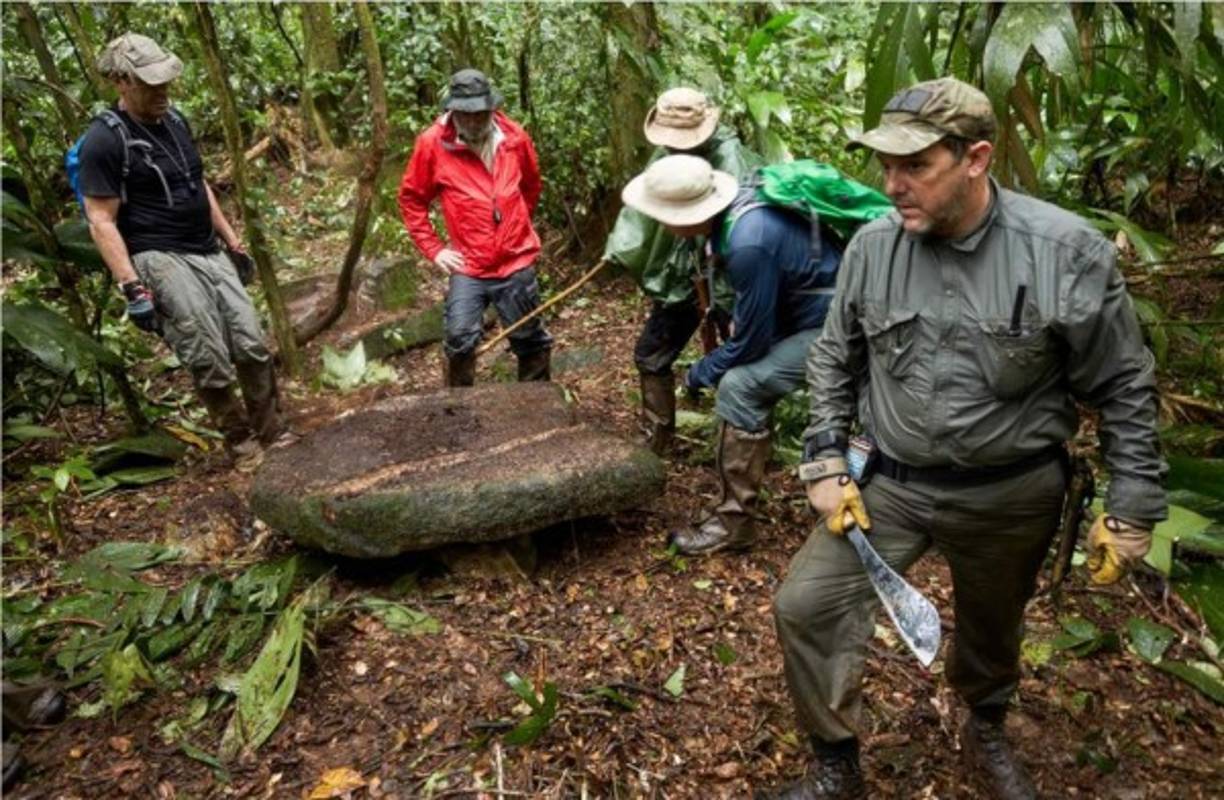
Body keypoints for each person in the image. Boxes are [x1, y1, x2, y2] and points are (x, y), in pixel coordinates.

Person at [765, 77, 1167, 800]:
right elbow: (835, 354)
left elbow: (1124, 385)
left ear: (976, 158)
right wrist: (825, 457)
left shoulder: (1063, 252)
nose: (893, 184)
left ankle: (984, 722)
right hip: (892, 483)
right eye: (885, 166)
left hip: (1010, 492)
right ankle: (835, 760)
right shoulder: (872, 247)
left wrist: (1132, 502)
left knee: (992, 623)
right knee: (807, 603)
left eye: (915, 166)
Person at [621, 155, 841, 555]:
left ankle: (733, 523)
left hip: (839, 325)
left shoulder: (748, 240)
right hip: (813, 312)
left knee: (740, 386)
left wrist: (701, 372)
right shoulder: (736, 215)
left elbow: (751, 346)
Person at [80, 33, 282, 455]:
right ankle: (241, 442)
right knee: (205, 351)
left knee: (251, 341)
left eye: (165, 81)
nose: (162, 91)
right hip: (159, 254)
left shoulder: (175, 121)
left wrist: (232, 240)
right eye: (150, 83)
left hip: (206, 246)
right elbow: (100, 220)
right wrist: (131, 285)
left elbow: (196, 183)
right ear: (121, 81)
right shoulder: (104, 140)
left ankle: (272, 431)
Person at [604, 87, 760, 454]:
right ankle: (657, 441)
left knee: (739, 365)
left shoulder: (732, 160)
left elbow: (744, 234)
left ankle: (741, 450)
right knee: (651, 354)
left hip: (728, 279)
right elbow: (645, 208)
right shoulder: (667, 153)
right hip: (683, 278)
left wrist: (729, 302)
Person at [398, 68, 551, 387]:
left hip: (515, 258)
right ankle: (460, 412)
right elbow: (412, 200)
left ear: (491, 108)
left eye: (480, 113)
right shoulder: (431, 144)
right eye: (464, 114)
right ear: (451, 110)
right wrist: (434, 249)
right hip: (469, 263)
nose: (472, 121)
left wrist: (515, 225)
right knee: (459, 338)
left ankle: (540, 410)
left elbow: (531, 186)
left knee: (530, 338)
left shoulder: (515, 138)